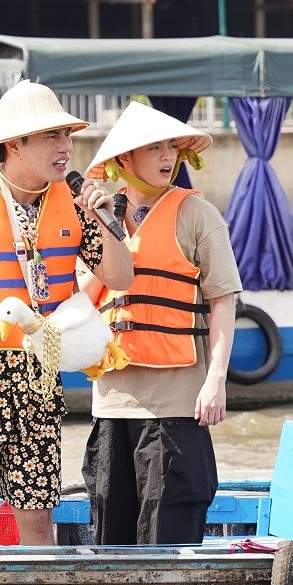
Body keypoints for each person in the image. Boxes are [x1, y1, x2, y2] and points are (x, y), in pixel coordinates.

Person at [0, 80, 133, 546]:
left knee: (36, 518)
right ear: (15, 144)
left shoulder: (77, 204)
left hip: (36, 377)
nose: (66, 147)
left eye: (68, 136)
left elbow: (119, 279)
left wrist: (106, 222)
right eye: (52, 136)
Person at [78, 101, 242, 545]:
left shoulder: (197, 215)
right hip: (111, 405)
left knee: (168, 536)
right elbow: (80, 300)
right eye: (154, 148)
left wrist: (216, 381)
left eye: (172, 146)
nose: (167, 156)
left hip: (176, 408)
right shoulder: (96, 217)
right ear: (124, 160)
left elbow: (223, 302)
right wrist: (102, 224)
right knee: (110, 535)